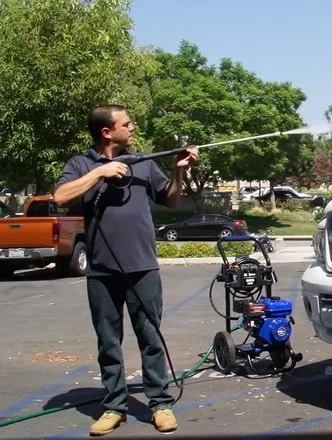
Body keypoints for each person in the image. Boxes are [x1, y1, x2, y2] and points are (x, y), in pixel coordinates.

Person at [53, 105, 198, 436]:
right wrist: (99, 173)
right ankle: (114, 406)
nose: (133, 128)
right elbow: (61, 196)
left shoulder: (143, 163)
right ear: (107, 132)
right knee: (108, 341)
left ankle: (160, 403)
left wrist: (178, 172)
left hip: (143, 267)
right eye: (127, 124)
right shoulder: (80, 164)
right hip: (102, 271)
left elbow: (171, 201)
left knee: (150, 337)